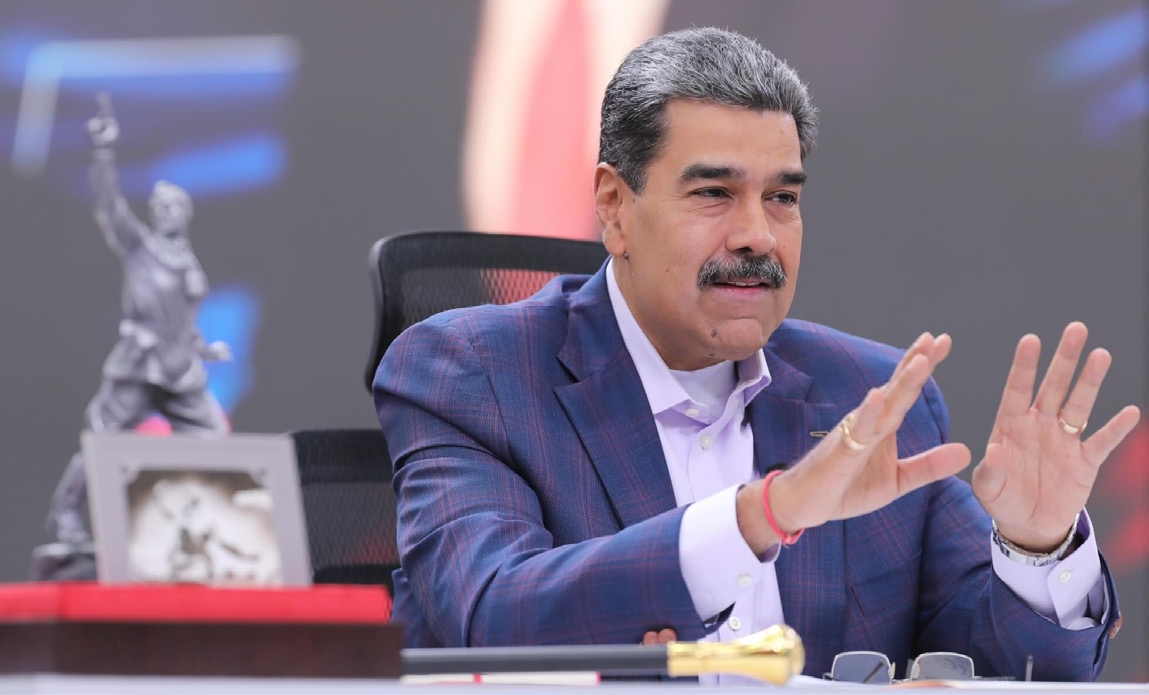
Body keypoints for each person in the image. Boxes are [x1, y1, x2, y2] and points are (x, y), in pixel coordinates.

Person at [373, 28, 1138, 682]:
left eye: (781, 198)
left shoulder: (869, 393)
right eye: (713, 193)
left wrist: (1036, 547)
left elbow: (1007, 666)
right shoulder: (472, 372)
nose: (757, 236)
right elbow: (491, 614)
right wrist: (763, 514)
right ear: (613, 207)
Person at [45, 94, 231, 548]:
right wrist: (103, 152)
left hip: (180, 368)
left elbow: (182, 318)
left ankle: (191, 522)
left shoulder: (186, 260)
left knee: (211, 438)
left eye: (172, 206)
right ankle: (65, 514)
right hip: (139, 362)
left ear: (185, 212)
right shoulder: (140, 247)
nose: (163, 212)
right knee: (102, 440)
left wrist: (203, 348)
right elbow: (109, 206)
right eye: (158, 206)